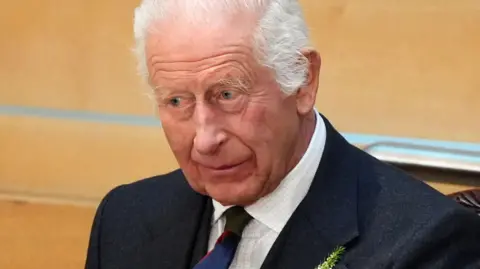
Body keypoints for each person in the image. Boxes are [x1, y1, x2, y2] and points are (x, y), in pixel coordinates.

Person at [85, 0, 480, 268]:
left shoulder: (425, 244)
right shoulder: (124, 219)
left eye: (227, 94)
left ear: (303, 82)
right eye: (176, 102)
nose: (204, 139)